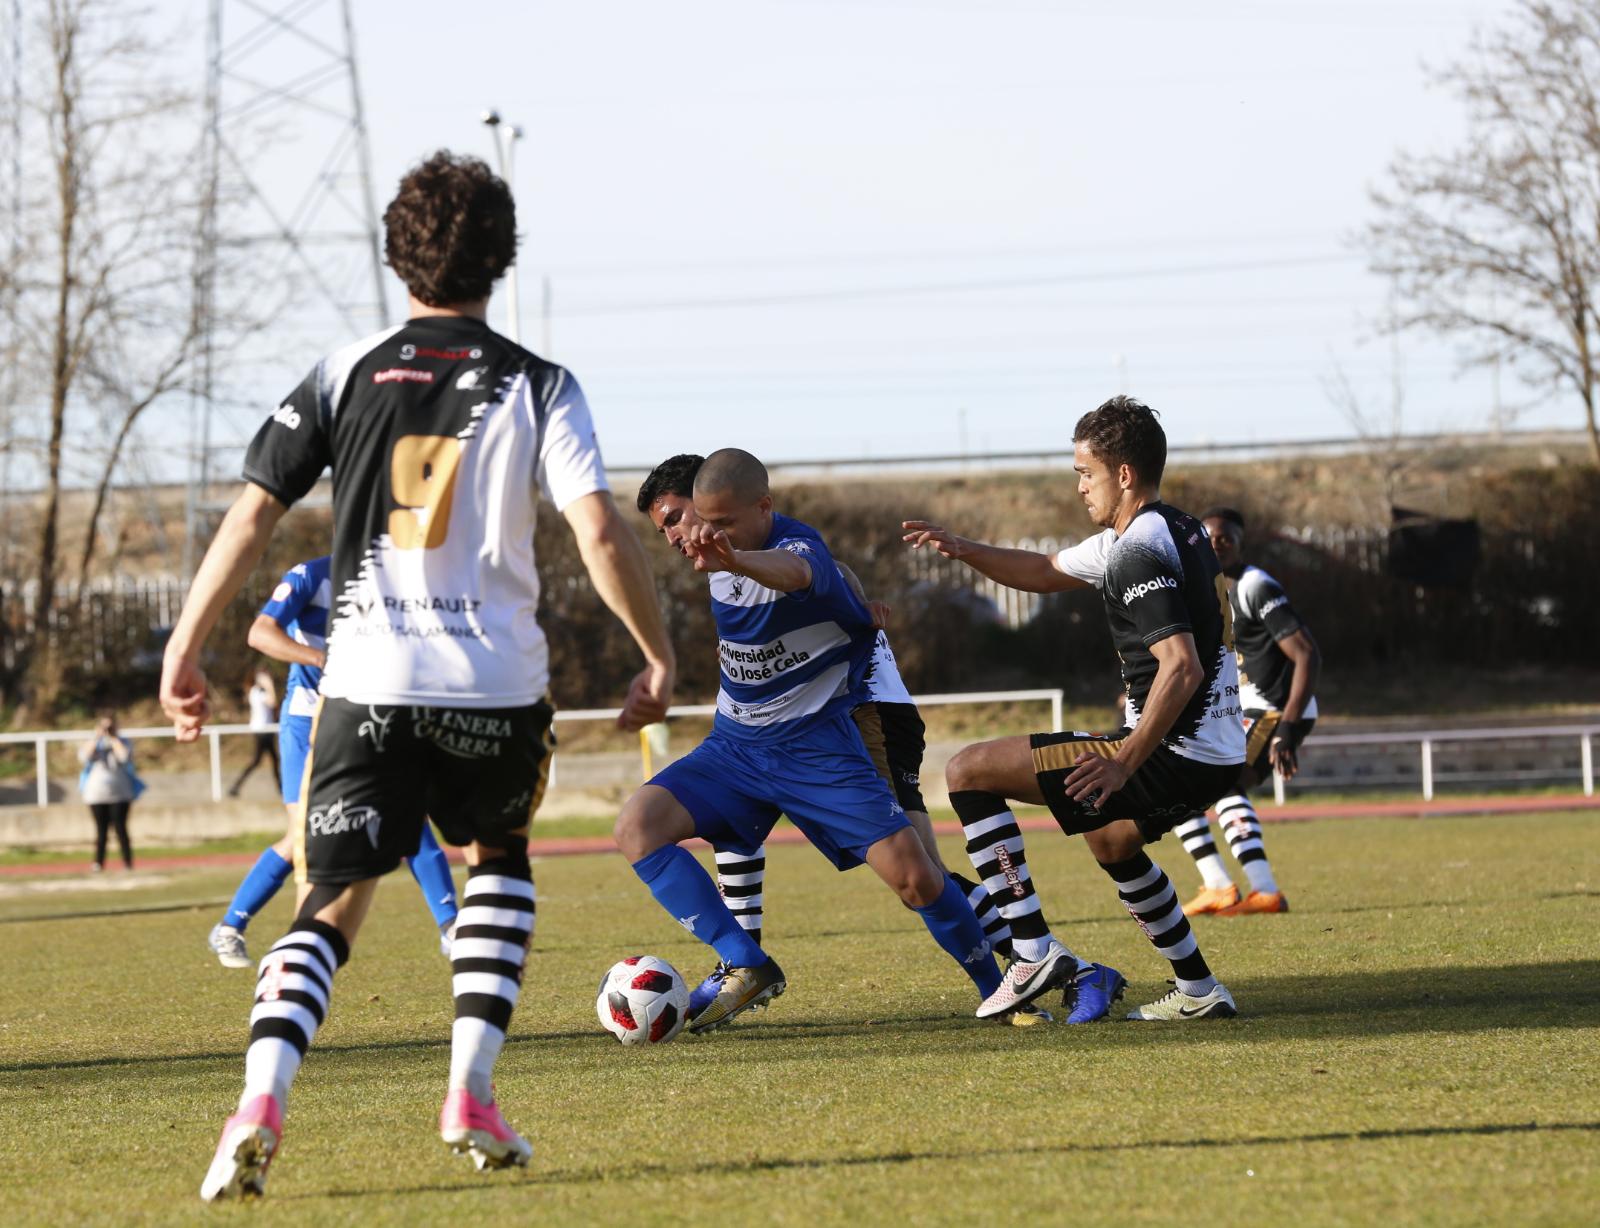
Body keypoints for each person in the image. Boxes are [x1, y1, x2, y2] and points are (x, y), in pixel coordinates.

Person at [159, 150, 674, 1201]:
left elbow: (254, 510)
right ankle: (470, 1090)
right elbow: (599, 534)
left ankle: (260, 1097)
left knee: (333, 897)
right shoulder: (541, 383)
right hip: (493, 686)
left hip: (364, 679)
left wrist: (185, 643)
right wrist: (656, 653)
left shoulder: (345, 370)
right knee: (496, 862)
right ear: (502, 254)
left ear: (397, 253)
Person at [614, 447, 1005, 1036]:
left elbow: (801, 572)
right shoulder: (715, 558)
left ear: (755, 507)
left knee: (918, 877)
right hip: (735, 749)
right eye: (683, 522)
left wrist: (738, 559)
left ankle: (1003, 988)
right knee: (637, 826)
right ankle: (745, 960)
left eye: (685, 519)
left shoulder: (794, 549)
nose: (682, 534)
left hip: (815, 747)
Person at [903, 395, 1243, 1022]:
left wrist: (1124, 761)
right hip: (1217, 753)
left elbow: (1182, 665)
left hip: (1171, 749)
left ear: (1123, 475)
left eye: (1086, 472)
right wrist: (963, 548)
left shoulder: (1137, 551)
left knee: (968, 772)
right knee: (1112, 841)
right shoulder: (1176, 529)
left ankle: (1032, 951)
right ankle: (1199, 990)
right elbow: (1042, 568)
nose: (1079, 485)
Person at [208, 557, 461, 969]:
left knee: (411, 819)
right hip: (308, 722)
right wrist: (320, 658)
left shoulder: (402, 579)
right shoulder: (311, 575)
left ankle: (452, 928)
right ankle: (232, 927)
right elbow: (260, 633)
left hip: (370, 718)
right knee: (304, 838)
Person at [1175, 506, 1322, 917]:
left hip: (1276, 708)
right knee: (1181, 783)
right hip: (1240, 709)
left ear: (1240, 542)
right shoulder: (1201, 592)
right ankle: (1218, 885)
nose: (1217, 543)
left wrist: (1289, 726)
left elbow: (1307, 654)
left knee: (1224, 781)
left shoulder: (1256, 585)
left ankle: (1265, 890)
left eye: (1226, 537)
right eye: (1209, 537)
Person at [78, 713, 137, 872]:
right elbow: (84, 757)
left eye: (109, 726)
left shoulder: (122, 742)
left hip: (120, 793)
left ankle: (127, 862)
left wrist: (113, 737)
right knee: (101, 830)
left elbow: (124, 757)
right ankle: (98, 863)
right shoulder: (93, 742)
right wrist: (97, 737)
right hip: (96, 795)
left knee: (121, 828)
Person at [227, 670, 281, 797]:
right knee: (258, 761)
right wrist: (269, 685)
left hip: (266, 730)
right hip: (262, 731)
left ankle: (281, 789)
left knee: (274, 760)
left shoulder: (258, 692)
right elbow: (273, 702)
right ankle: (235, 787)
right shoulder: (257, 692)